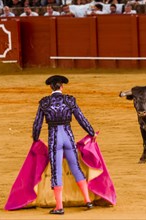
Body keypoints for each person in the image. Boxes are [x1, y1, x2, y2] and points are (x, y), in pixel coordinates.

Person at [32, 75, 97, 215]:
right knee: (76, 168)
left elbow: (37, 124)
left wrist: (35, 139)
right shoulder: (69, 100)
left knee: (56, 171)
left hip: (54, 138)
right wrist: (91, 133)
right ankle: (87, 200)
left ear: (51, 87)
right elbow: (81, 118)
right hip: (68, 137)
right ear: (62, 87)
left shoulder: (44, 102)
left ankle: (59, 206)